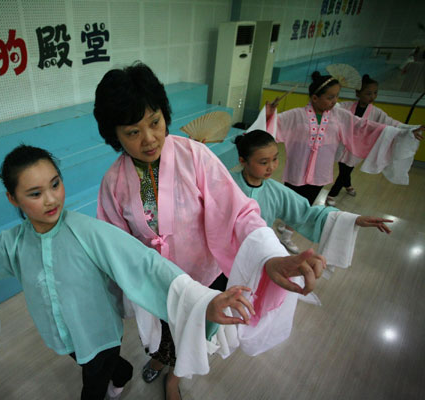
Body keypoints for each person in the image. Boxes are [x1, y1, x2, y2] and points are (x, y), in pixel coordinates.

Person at [0, 144, 257, 400]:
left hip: (98, 334)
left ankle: (114, 376)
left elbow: (145, 265)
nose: (51, 199)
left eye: (54, 184)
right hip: (60, 335)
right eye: (34, 193)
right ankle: (123, 373)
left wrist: (204, 302)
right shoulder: (13, 243)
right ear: (12, 198)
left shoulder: (89, 232)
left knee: (91, 385)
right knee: (90, 361)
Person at [94, 62, 326, 400]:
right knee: (167, 331)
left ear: (164, 114)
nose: (149, 139)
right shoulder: (113, 183)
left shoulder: (195, 157)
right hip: (160, 284)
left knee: (199, 329)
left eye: (155, 122)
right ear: (114, 134)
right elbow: (114, 248)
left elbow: (238, 213)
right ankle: (162, 359)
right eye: (132, 132)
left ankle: (175, 377)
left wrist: (271, 258)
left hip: (204, 276)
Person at [253, 71, 423, 253]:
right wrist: (268, 115)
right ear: (315, 98)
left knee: (306, 206)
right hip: (296, 171)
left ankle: (286, 235)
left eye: (337, 97)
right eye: (330, 97)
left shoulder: (339, 116)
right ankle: (280, 228)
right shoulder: (296, 115)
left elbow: (364, 127)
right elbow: (269, 129)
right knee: (288, 203)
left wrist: (404, 132)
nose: (334, 101)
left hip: (319, 173)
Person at [232, 130, 392, 276]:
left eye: (275, 159)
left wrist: (352, 220)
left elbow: (307, 214)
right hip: (222, 249)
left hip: (255, 253)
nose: (271, 167)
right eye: (263, 162)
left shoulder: (276, 192)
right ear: (243, 161)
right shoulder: (227, 185)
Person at [327, 74, 421, 205]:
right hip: (343, 145)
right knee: (345, 169)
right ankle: (347, 185)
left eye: (375, 93)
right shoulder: (346, 106)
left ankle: (332, 194)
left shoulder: (376, 112)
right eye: (368, 93)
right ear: (358, 93)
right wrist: (334, 91)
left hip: (358, 149)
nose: (372, 97)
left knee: (346, 170)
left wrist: (411, 129)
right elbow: (333, 107)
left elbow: (393, 123)